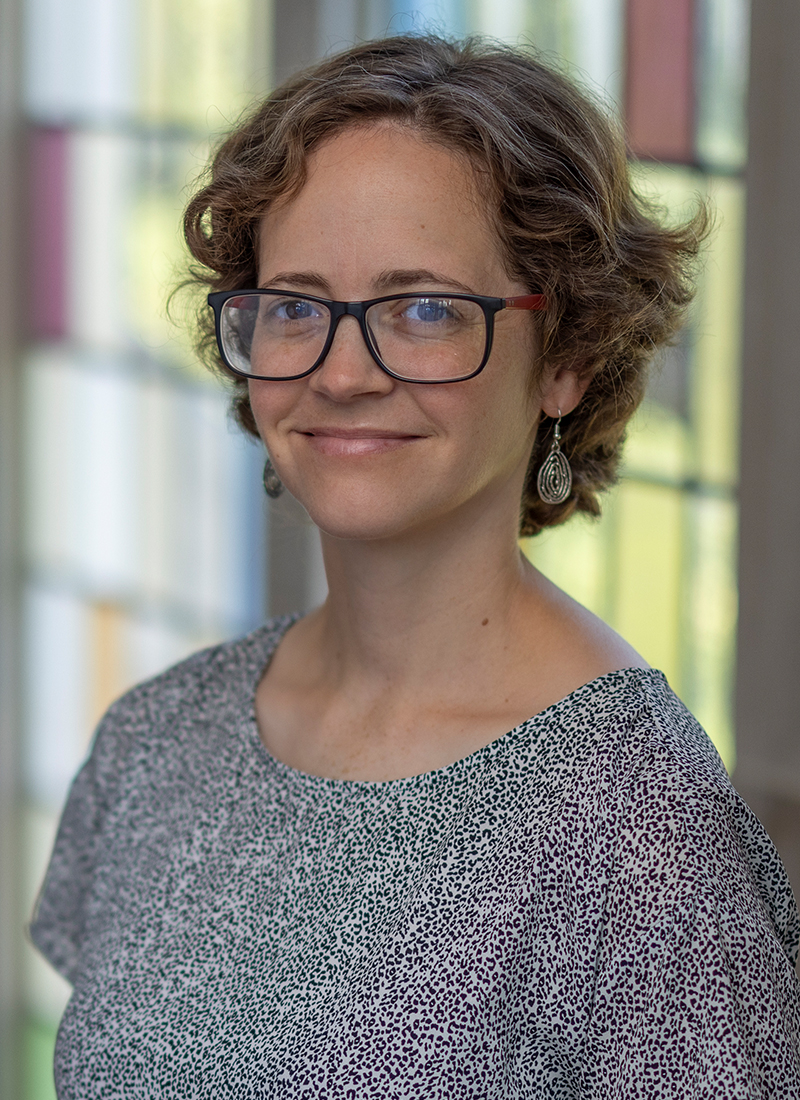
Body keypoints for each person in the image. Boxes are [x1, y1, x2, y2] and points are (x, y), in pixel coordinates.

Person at [31, 34, 800, 1098]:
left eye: (424, 308)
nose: (343, 373)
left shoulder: (638, 830)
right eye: (296, 304)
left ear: (565, 358)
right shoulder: (157, 740)